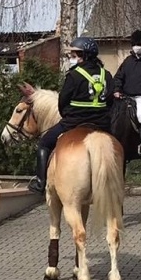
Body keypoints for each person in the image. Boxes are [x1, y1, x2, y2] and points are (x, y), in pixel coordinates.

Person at [27, 37, 112, 193]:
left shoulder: (74, 75)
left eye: (74, 55)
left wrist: (67, 115)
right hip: (102, 123)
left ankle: (40, 182)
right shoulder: (105, 74)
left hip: (74, 122)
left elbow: (63, 101)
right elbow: (111, 100)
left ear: (83, 55)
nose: (71, 58)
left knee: (44, 144)